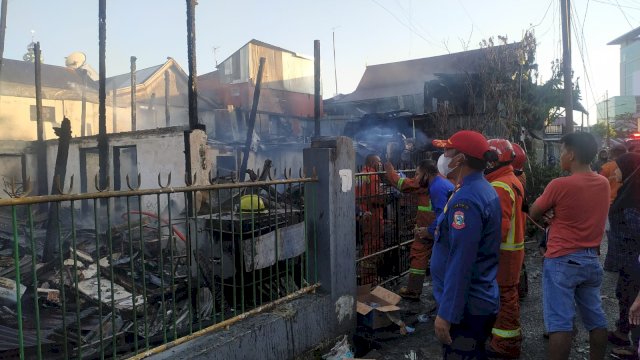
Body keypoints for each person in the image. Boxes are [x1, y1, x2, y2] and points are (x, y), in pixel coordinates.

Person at [530, 132, 610, 360]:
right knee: (596, 319)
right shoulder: (603, 183)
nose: (562, 155)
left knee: (560, 324)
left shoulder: (559, 185)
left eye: (563, 150)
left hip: (562, 261)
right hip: (591, 259)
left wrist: (551, 215)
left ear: (572, 154)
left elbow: (534, 211)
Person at [430, 130, 502, 359]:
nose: (442, 155)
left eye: (447, 150)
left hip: (467, 308)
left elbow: (462, 261)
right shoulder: (478, 189)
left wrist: (447, 313)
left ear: (460, 159)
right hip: (477, 300)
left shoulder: (466, 200)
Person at [385, 159, 454, 299]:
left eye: (417, 174)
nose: (415, 177)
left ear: (426, 173)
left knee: (418, 254)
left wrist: (389, 170)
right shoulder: (444, 181)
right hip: (436, 225)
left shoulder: (430, 184)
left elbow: (402, 184)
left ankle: (413, 290)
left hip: (428, 224)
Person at [484, 139, 526, 359]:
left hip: (504, 253)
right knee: (507, 295)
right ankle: (505, 340)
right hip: (511, 251)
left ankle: (505, 345)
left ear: (492, 161)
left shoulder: (499, 185)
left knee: (506, 298)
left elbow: (497, 230)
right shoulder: (509, 178)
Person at [604, 152, 640, 359]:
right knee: (623, 295)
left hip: (633, 263)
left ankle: (635, 347)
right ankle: (622, 332)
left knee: (633, 301)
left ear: (628, 169)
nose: (614, 171)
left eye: (617, 167)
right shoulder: (627, 190)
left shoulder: (632, 201)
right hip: (626, 262)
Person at [356, 154, 385, 282]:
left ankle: (365, 276)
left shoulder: (362, 174)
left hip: (363, 212)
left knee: (367, 243)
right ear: (373, 162)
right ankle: (369, 279)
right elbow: (375, 197)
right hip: (372, 214)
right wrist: (386, 197)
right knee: (372, 246)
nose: (381, 163)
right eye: (379, 161)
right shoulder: (372, 175)